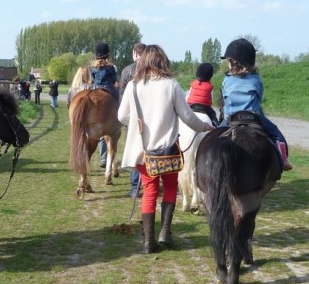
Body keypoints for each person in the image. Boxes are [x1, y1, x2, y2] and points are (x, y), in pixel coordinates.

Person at [118, 44, 213, 253]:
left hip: (144, 151)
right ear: (163, 61)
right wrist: (205, 126)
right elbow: (188, 117)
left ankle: (148, 242)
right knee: (170, 188)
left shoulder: (133, 86)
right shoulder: (172, 85)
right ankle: (165, 233)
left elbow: (121, 116)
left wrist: (137, 124)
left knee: (150, 191)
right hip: (169, 149)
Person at [220, 38, 292, 170]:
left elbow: (225, 99)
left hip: (231, 118)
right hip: (253, 117)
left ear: (231, 63)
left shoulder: (227, 80)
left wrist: (226, 117)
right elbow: (259, 97)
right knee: (275, 132)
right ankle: (283, 159)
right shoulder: (255, 79)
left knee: (214, 136)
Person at [118, 43, 145, 197]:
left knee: (135, 150)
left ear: (135, 53)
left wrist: (125, 119)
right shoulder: (152, 70)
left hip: (133, 118)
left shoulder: (127, 71)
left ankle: (135, 187)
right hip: (149, 117)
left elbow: (122, 96)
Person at [91, 42, 119, 167]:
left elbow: (93, 79)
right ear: (107, 54)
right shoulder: (110, 67)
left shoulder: (93, 67)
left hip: (96, 88)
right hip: (108, 88)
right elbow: (114, 81)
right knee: (118, 97)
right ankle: (119, 117)